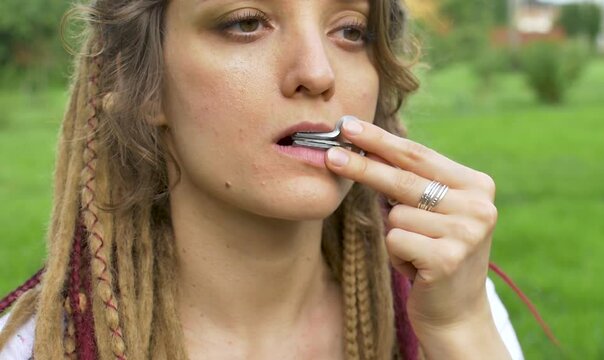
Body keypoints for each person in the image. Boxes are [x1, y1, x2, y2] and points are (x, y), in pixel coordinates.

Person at [0, 0, 525, 359]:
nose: (318, 74)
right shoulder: (31, 347)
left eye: (350, 30)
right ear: (140, 83)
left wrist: (461, 331)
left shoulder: (448, 305)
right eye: (247, 21)